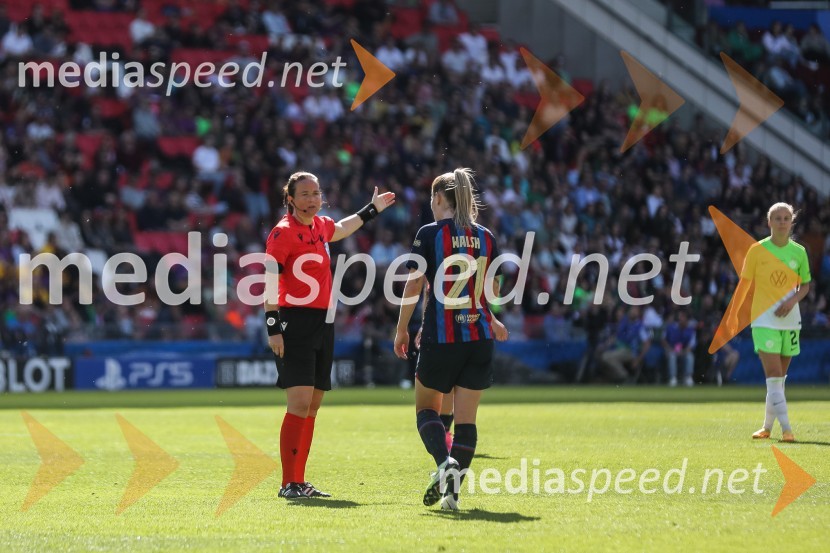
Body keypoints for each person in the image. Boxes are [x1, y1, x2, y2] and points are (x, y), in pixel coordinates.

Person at [265, 171, 395, 499]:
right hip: (294, 322)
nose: (312, 199)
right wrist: (273, 328)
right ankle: (288, 483)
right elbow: (268, 282)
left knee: (312, 406)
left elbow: (342, 228)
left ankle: (299, 480)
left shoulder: (319, 226)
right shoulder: (282, 233)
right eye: (305, 194)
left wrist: (372, 209)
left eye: (316, 193)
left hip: (323, 323)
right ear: (290, 199)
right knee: (299, 403)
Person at [393, 168, 509, 511]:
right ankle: (452, 495)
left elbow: (415, 284)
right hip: (479, 338)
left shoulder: (429, 233)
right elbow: (492, 290)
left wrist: (401, 328)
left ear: (439, 198)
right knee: (466, 421)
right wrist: (491, 318)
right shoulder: (486, 236)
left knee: (426, 410)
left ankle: (444, 464)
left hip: (442, 337)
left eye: (432, 197)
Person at [727, 202, 811, 442]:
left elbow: (805, 285)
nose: (782, 222)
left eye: (786, 218)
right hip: (764, 319)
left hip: (791, 321)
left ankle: (766, 427)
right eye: (777, 218)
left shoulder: (799, 252)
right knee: (773, 374)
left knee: (779, 380)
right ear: (769, 222)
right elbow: (744, 285)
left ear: (791, 222)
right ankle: (787, 430)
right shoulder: (757, 250)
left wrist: (793, 300)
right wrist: (733, 314)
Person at [662, 310, 697, 387]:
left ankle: (688, 377)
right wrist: (670, 349)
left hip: (684, 351)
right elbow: (663, 340)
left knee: (690, 356)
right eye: (680, 317)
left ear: (687, 320)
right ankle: (673, 378)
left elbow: (691, 345)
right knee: (672, 356)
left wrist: (683, 351)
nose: (681, 319)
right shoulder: (671, 327)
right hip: (671, 350)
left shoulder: (691, 330)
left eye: (683, 317)